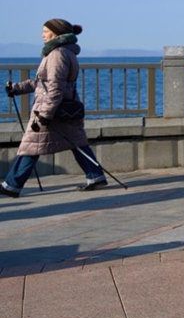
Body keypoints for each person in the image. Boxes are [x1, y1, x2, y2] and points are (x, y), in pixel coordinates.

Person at [2, 19, 107, 198]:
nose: (42, 35)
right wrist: (17, 88)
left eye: (45, 31)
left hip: (51, 109)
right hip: (66, 107)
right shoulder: (63, 52)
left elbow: (55, 88)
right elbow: (41, 83)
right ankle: (96, 176)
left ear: (56, 33)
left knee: (31, 145)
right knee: (76, 141)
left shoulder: (57, 54)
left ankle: (12, 185)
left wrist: (46, 114)